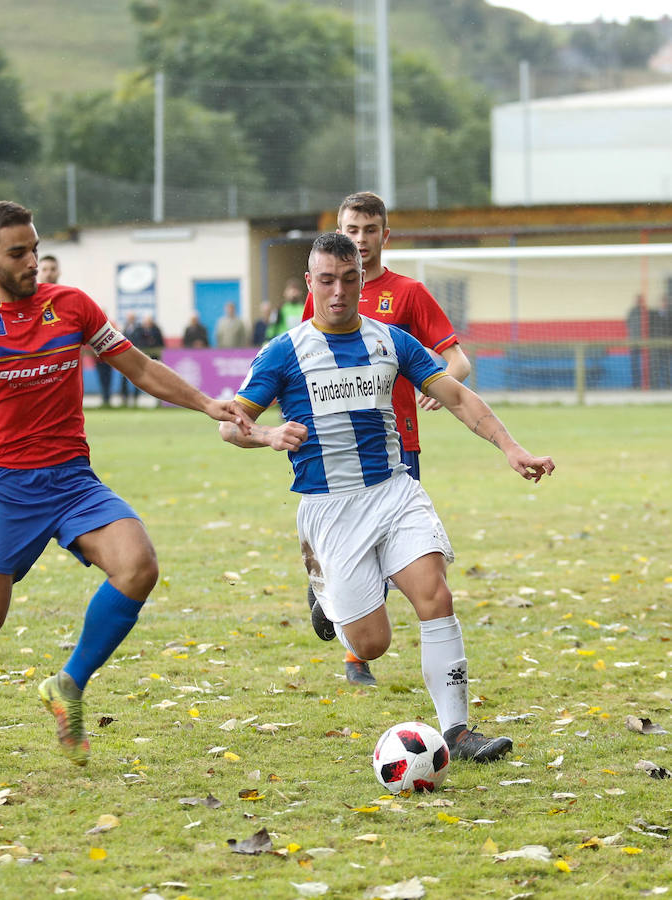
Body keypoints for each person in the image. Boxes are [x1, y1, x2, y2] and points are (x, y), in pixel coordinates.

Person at [0, 200, 251, 767]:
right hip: (5, 486)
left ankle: (68, 685)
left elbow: (142, 368)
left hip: (73, 479)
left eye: (34, 247)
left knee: (139, 565)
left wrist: (207, 405)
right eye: (18, 252)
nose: (33, 260)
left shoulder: (71, 307)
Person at [219, 232, 554, 763]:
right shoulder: (284, 353)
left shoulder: (390, 340)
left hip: (394, 492)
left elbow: (459, 396)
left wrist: (510, 447)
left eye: (349, 280)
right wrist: (264, 435)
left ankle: (459, 732)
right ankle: (325, 594)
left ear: (361, 280)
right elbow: (231, 425)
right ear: (310, 283)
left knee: (435, 596)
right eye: (326, 281)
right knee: (372, 644)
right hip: (331, 508)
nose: (338, 292)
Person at [300, 191, 471, 686]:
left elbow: (456, 359)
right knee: (354, 549)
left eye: (369, 230)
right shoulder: (326, 292)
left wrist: (442, 386)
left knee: (396, 549)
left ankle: (337, 606)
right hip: (335, 448)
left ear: (384, 235)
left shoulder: (409, 293)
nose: (360, 239)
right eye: (351, 230)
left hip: (399, 443)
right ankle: (356, 656)